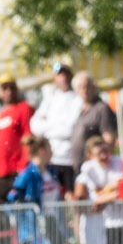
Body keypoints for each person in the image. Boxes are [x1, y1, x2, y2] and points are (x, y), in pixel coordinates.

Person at [33, 63, 83, 191]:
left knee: (73, 199)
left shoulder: (78, 99)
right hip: (52, 160)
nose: (63, 78)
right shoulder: (50, 99)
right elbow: (34, 125)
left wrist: (48, 125)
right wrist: (58, 125)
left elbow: (69, 130)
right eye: (60, 75)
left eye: (66, 74)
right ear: (55, 79)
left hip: (71, 160)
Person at [0, 77, 35, 200]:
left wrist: (22, 167)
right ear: (0, 92)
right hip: (1, 172)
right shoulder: (1, 114)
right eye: (5, 88)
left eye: (12, 87)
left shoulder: (24, 108)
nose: (9, 91)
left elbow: (28, 137)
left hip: (17, 172)